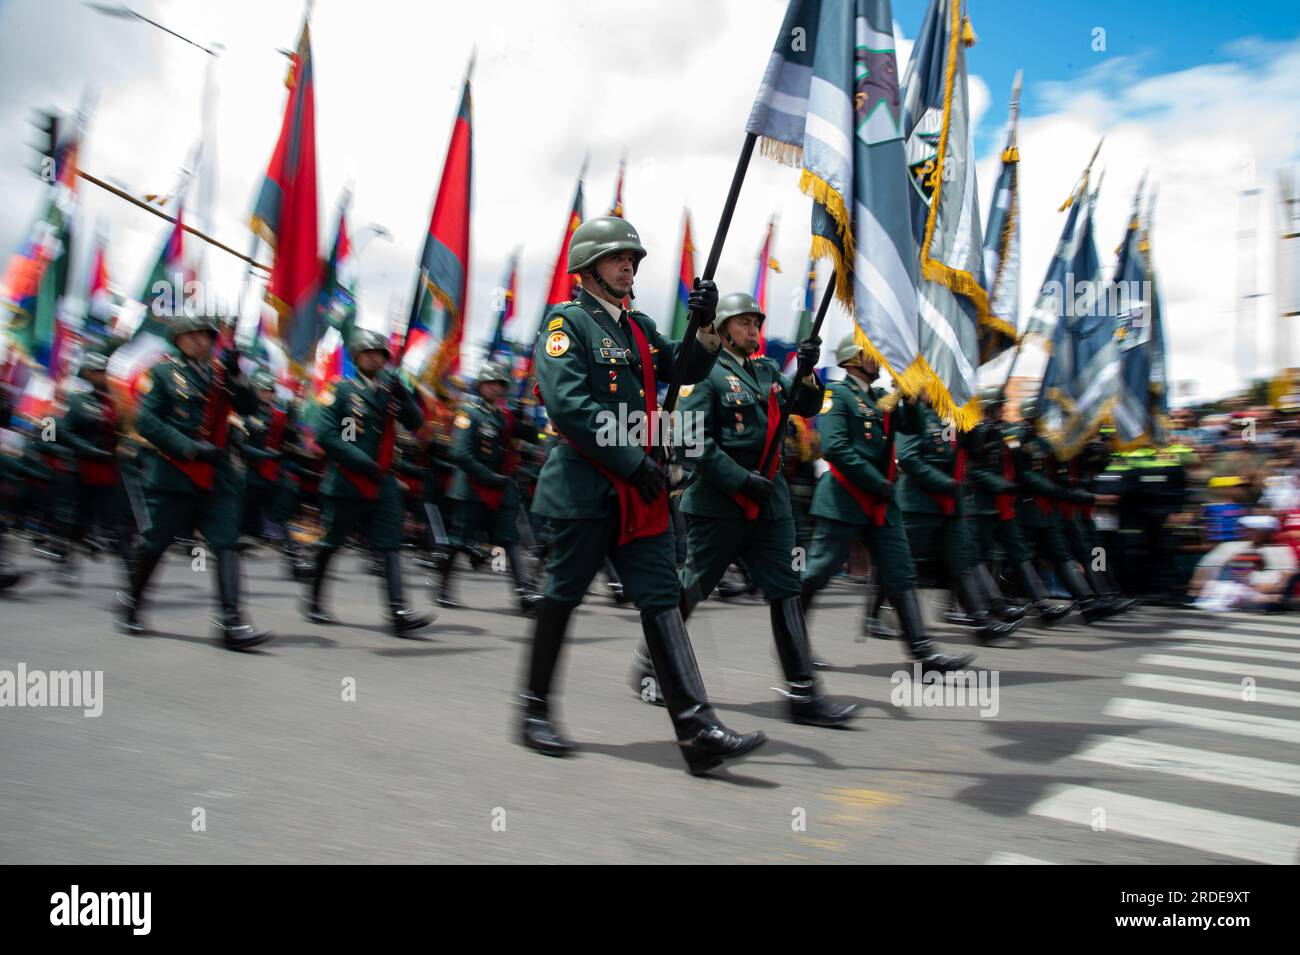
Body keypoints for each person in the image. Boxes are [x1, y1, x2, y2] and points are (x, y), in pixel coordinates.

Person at [520, 215, 767, 775]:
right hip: (588, 487)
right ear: (587, 269)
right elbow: (570, 408)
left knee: (660, 600)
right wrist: (635, 461)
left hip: (640, 488)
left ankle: (696, 727)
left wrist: (704, 328)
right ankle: (533, 709)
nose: (628, 264)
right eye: (615, 257)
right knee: (562, 595)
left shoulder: (638, 327)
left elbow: (683, 370)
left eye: (632, 257)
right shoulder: (567, 325)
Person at [630, 291, 857, 726]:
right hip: (720, 502)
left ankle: (803, 694)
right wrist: (738, 479)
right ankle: (652, 665)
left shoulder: (769, 370)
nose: (753, 329)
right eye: (744, 323)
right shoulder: (708, 375)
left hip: (769, 500)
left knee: (785, 589)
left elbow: (806, 406)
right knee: (693, 589)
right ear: (725, 328)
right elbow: (689, 439)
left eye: (757, 323)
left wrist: (808, 370)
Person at [800, 334, 977, 670]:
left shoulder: (881, 397)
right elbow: (836, 448)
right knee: (817, 573)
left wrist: (909, 400)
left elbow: (909, 427)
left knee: (900, 572)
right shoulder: (836, 395)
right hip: (845, 500)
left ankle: (923, 653)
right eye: (872, 356)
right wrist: (878, 483)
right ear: (853, 360)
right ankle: (794, 645)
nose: (878, 361)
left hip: (881, 505)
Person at [116, 314, 272, 650]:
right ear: (179, 339)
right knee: (155, 543)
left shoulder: (221, 373)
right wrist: (189, 447)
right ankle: (132, 604)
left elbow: (248, 407)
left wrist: (238, 375)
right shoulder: (161, 373)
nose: (200, 340)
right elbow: (146, 420)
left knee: (226, 544)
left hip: (218, 476)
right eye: (193, 335)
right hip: (176, 473)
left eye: (205, 335)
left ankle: (231, 622)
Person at [300, 328, 433, 637]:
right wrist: (364, 463)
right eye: (369, 353)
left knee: (389, 544)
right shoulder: (342, 391)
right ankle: (313, 598)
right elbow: (332, 436)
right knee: (331, 543)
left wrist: (405, 397)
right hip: (348, 480)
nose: (376, 358)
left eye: (380, 354)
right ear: (357, 357)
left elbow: (416, 426)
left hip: (383, 481)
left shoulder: (389, 391)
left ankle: (398, 610)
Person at [437, 360, 542, 612]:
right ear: (481, 385)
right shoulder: (469, 413)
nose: (495, 388)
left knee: (509, 538)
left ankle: (523, 592)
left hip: (500, 486)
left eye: (500, 384)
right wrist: (487, 476)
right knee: (459, 538)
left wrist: (524, 418)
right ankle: (442, 589)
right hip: (472, 485)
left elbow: (534, 436)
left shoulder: (504, 415)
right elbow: (460, 453)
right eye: (491, 383)